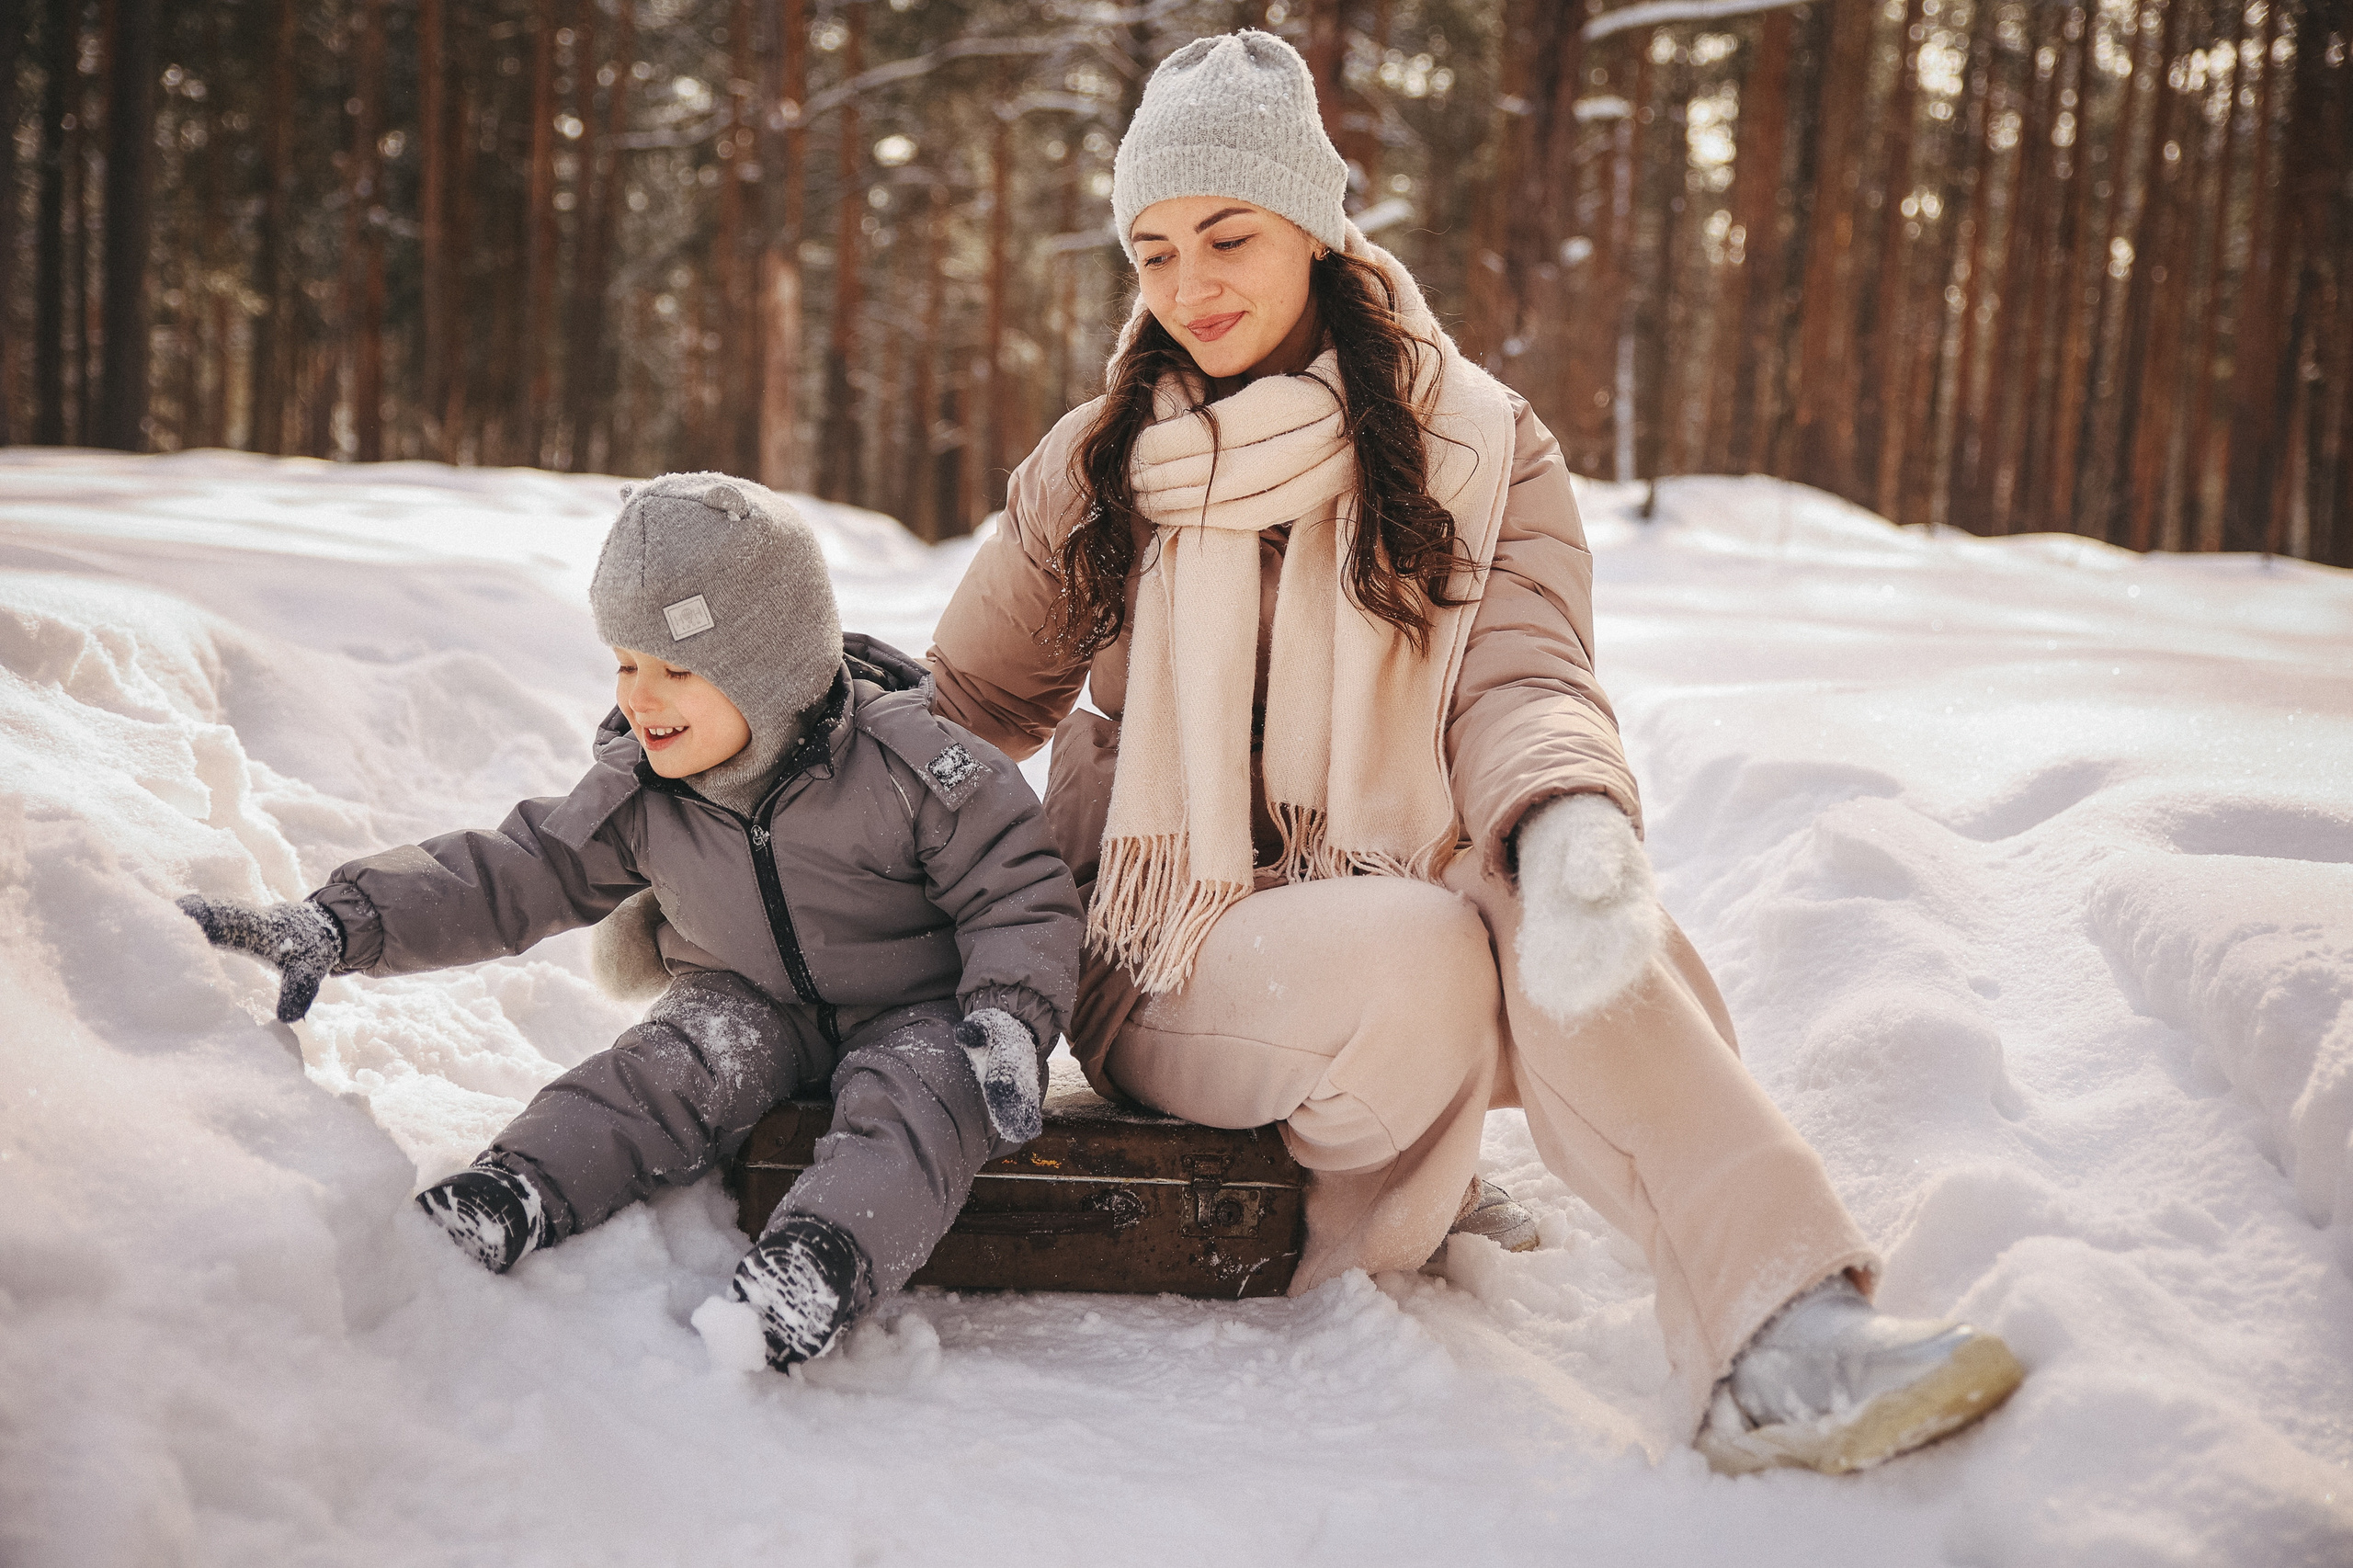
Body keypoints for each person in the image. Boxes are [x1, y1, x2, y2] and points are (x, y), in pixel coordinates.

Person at [926, 30, 2022, 1473]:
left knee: (1543, 894)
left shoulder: (1483, 451)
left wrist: (1569, 821)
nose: (1187, 289)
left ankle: (1784, 1323)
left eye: (1227, 235)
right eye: (1150, 251)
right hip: (1167, 956)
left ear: (1313, 228)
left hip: (1408, 920)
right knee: (1444, 939)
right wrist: (750, 813)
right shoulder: (1103, 464)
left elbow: (1523, 676)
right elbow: (959, 710)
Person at [179, 472, 1082, 1372]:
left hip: (913, 1004)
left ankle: (818, 1260)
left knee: (927, 1094)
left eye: (677, 668)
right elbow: (511, 871)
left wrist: (1007, 1016)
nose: (641, 697)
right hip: (747, 1000)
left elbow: (1019, 890)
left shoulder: (913, 765)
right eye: (625, 661)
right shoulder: (643, 789)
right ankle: (514, 1187)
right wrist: (342, 922)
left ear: (771, 670)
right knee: (660, 1067)